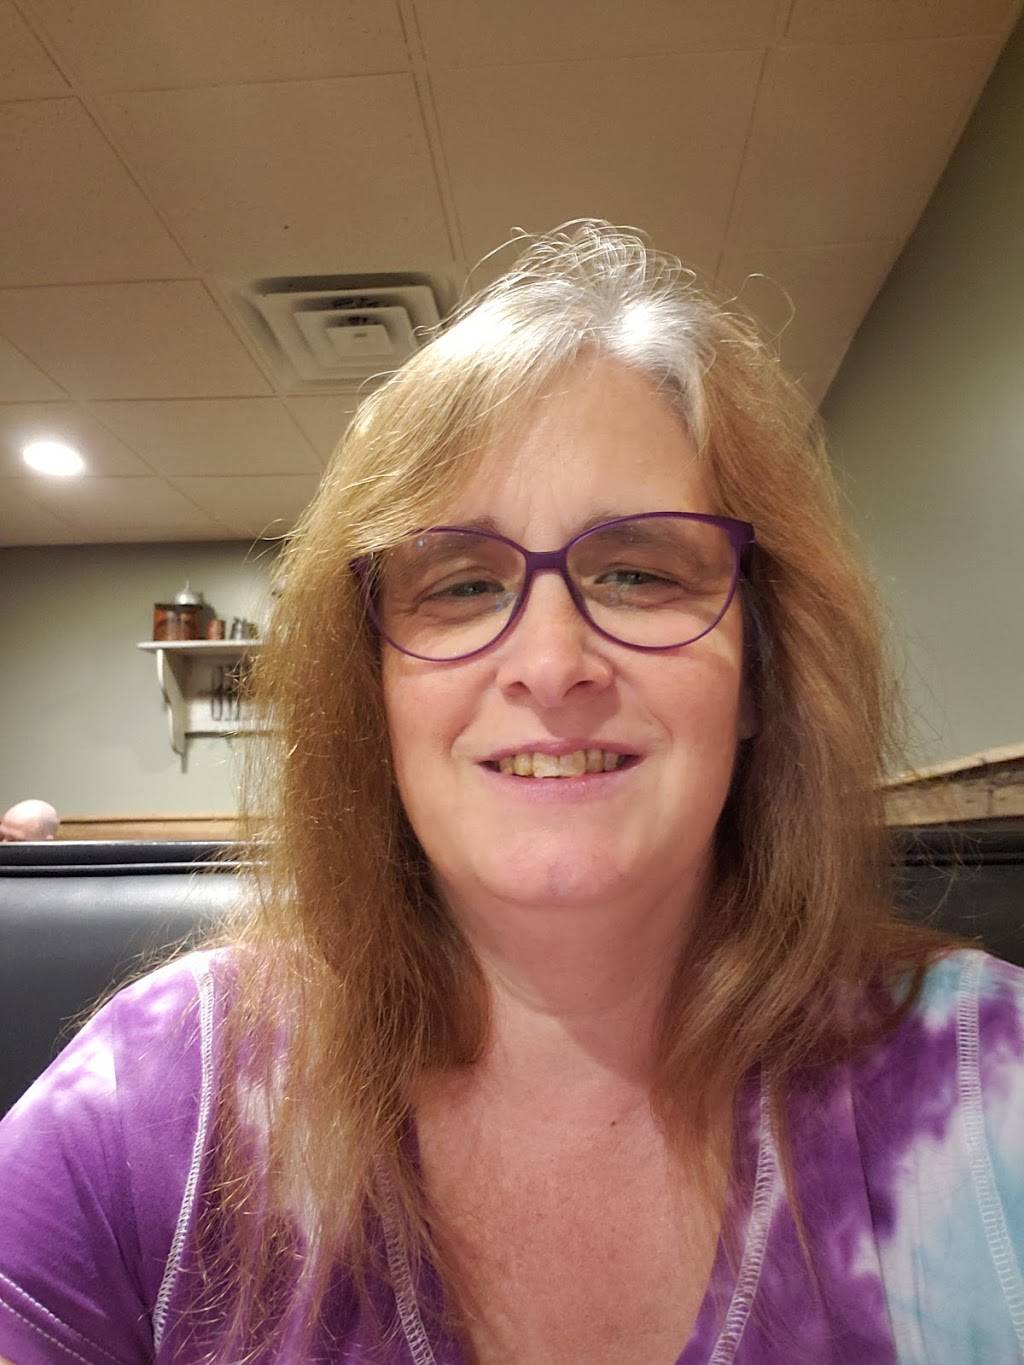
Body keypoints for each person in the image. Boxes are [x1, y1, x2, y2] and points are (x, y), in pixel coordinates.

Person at [0, 221, 1021, 1365]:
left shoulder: (989, 1089)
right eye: (460, 585)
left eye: (636, 573)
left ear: (759, 668)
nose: (549, 662)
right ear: (373, 692)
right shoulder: (153, 1106)